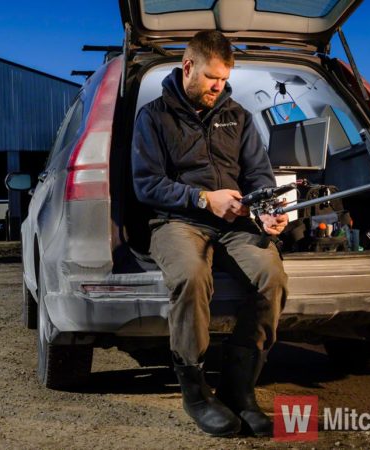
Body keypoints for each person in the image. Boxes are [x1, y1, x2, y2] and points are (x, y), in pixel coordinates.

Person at [131, 30, 289, 437]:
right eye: (212, 78)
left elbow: (259, 176)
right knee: (190, 276)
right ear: (188, 68)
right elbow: (147, 184)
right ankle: (197, 392)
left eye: (224, 79)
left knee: (271, 276)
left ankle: (240, 389)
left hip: (236, 223)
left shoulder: (238, 116)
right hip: (176, 221)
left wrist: (268, 213)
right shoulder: (153, 116)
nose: (219, 87)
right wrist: (204, 198)